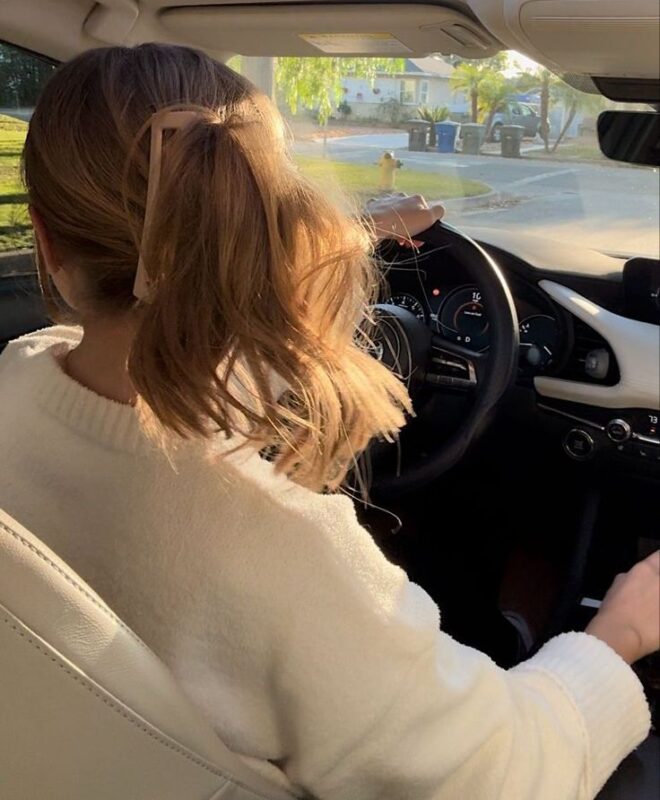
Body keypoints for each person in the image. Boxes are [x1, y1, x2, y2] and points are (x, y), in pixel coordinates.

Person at [0, 43, 656, 800]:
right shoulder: (279, 543)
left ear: (45, 242)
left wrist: (360, 231)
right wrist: (622, 632)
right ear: (260, 225)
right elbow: (510, 773)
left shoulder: (20, 379)